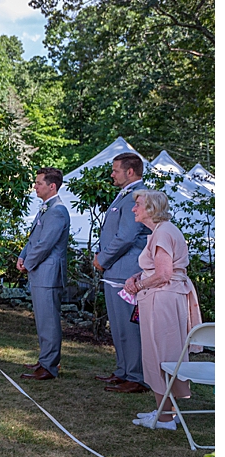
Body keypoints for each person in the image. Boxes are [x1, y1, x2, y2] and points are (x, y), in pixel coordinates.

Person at [124, 190, 202, 430]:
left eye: (138, 204)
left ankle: (166, 417)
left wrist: (137, 286)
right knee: (158, 354)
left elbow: (163, 274)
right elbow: (157, 268)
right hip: (163, 297)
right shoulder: (161, 232)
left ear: (152, 209)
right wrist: (138, 276)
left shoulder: (164, 232)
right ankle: (164, 410)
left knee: (162, 354)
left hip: (163, 299)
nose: (134, 209)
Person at [93, 152, 149, 393]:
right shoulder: (125, 194)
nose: (112, 174)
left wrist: (103, 259)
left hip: (126, 270)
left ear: (130, 171)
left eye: (115, 170)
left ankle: (136, 377)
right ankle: (123, 370)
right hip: (115, 270)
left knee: (128, 326)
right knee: (117, 326)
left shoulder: (139, 195)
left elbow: (126, 236)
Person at [18, 167, 71, 381]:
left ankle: (49, 366)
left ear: (52, 186)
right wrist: (23, 256)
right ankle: (45, 359)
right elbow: (34, 239)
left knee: (49, 321)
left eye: (39, 183)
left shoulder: (58, 210)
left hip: (48, 274)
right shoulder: (45, 208)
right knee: (42, 320)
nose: (35, 187)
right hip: (40, 272)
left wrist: (28, 263)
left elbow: (45, 244)